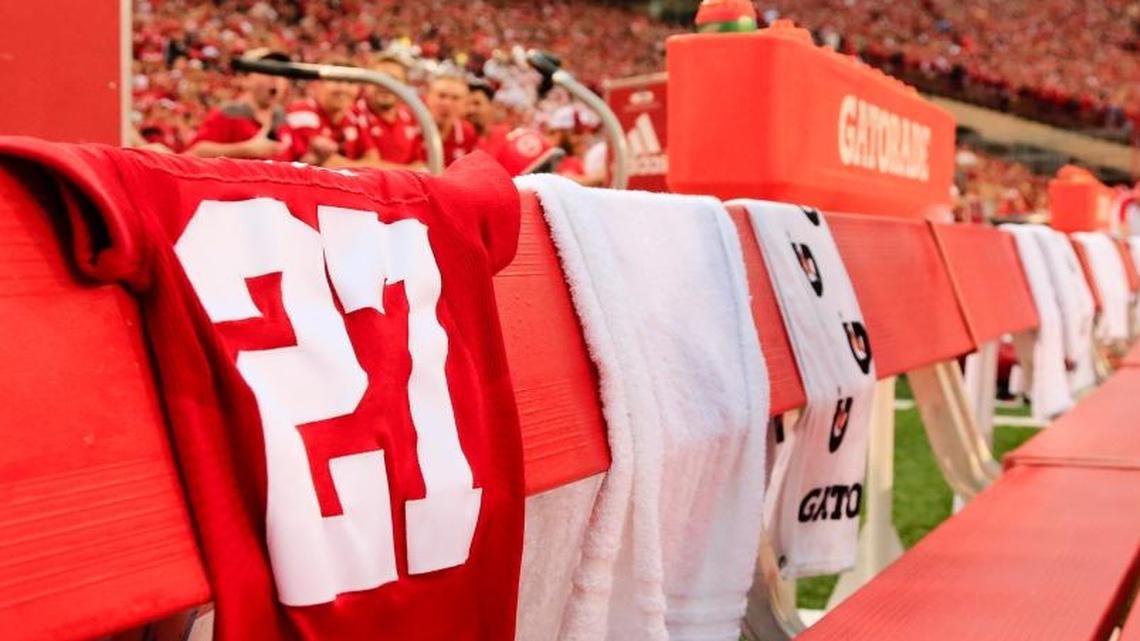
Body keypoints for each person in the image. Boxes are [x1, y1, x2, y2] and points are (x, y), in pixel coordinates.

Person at [183, 49, 292, 160]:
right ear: (246, 79)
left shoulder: (282, 118)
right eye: (267, 71)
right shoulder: (230, 112)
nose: (275, 78)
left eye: (280, 72)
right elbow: (193, 153)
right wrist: (245, 149)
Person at [285, 63, 380, 167]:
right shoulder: (302, 111)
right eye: (336, 80)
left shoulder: (354, 115)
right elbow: (324, 163)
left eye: (351, 82)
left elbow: (373, 159)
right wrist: (361, 167)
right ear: (317, 84)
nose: (343, 89)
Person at [353, 55, 423, 168]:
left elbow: (421, 165)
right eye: (379, 79)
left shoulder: (414, 118)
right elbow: (367, 167)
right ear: (366, 83)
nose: (385, 86)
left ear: (405, 85)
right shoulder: (352, 115)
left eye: (393, 80)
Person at [415, 74, 478, 167]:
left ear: (465, 105)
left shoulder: (467, 132)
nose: (447, 103)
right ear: (427, 97)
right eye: (441, 96)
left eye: (455, 98)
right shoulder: (410, 125)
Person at [467, 78, 509, 156]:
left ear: (492, 105)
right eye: (467, 104)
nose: (471, 109)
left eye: (477, 104)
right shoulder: (458, 136)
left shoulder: (506, 138)